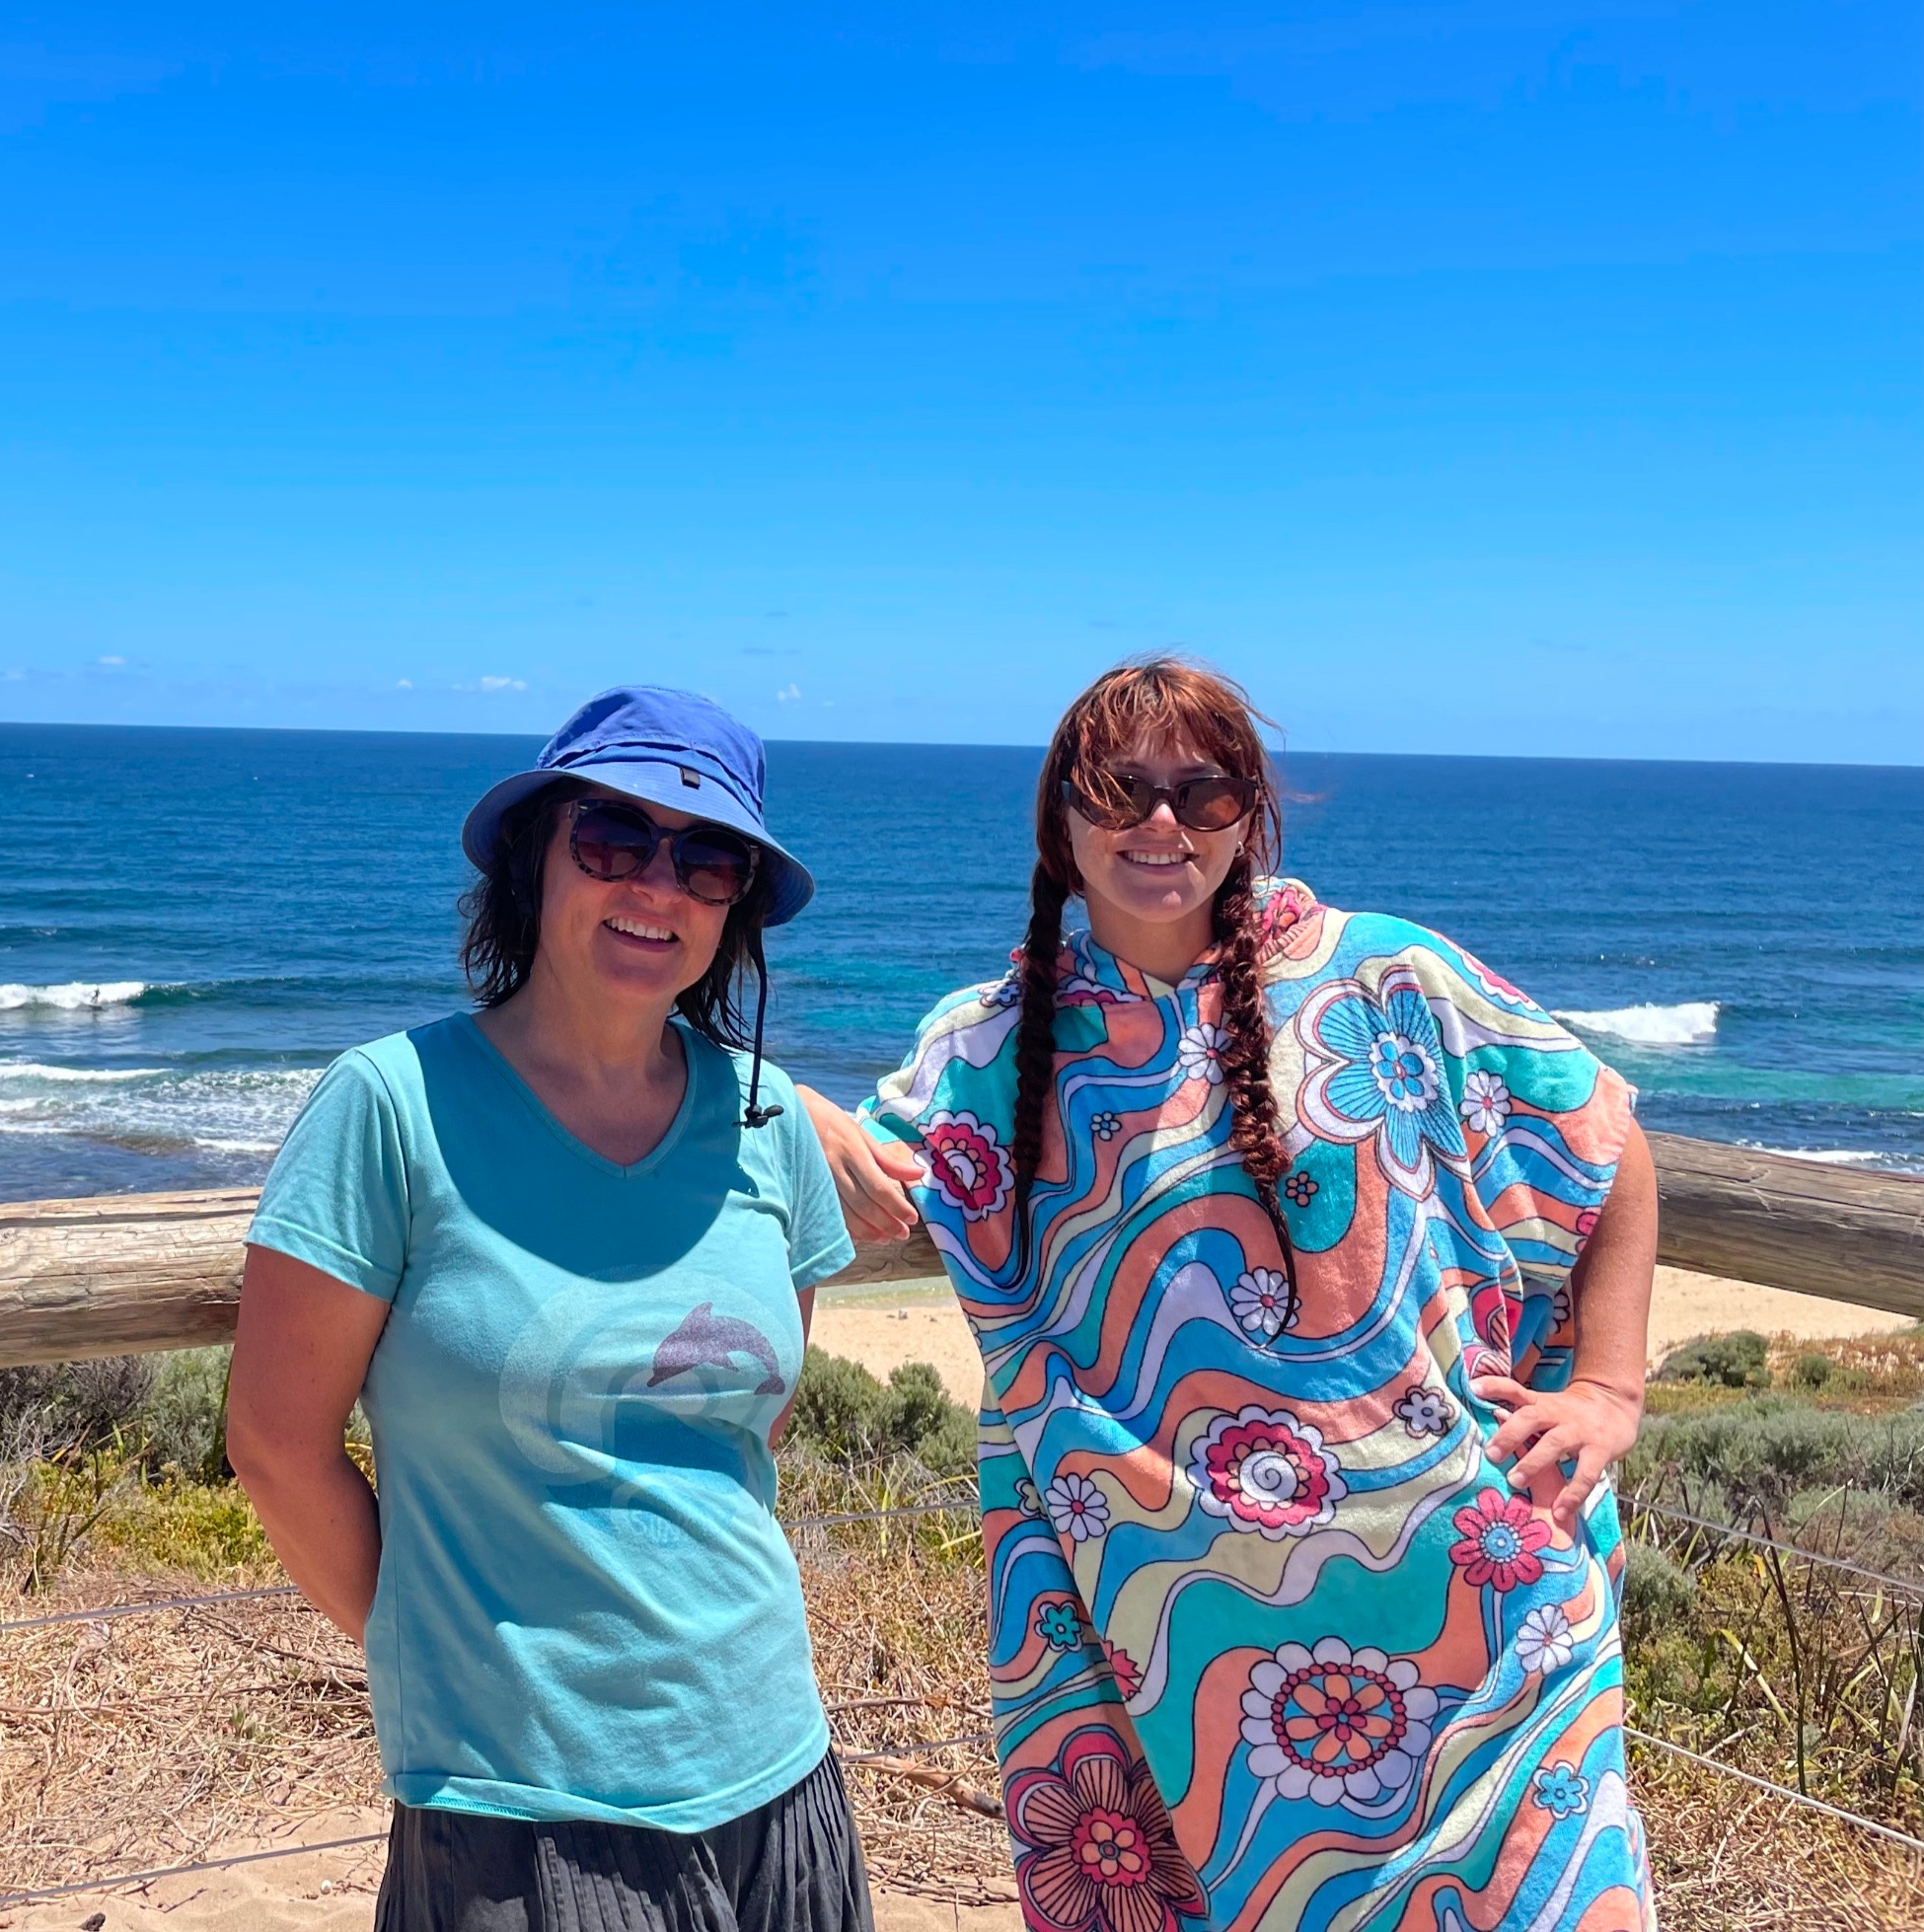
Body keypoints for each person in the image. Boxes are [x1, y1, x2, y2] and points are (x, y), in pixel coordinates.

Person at [799, 657, 1659, 1932]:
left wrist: (1607, 1385)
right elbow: (841, 1177)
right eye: (1121, 789)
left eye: (1201, 795)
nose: (1160, 824)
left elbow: (1610, 1142)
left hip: (1482, 1649)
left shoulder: (1384, 981)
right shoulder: (987, 1054)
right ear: (1061, 818)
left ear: (1247, 818)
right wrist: (775, 1109)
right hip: (1188, 1696)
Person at [228, 686, 873, 1932]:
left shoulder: (773, 1121)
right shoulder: (390, 1105)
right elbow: (273, 1443)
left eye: (708, 856)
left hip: (779, 1768)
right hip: (510, 1806)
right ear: (535, 859)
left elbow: (745, 1431)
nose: (659, 883)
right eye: (614, 837)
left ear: (737, 900)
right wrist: (458, 1645)